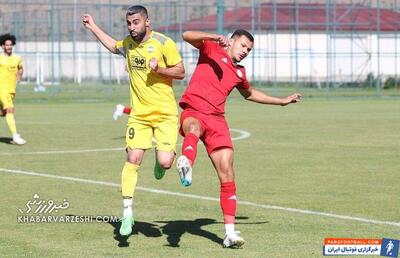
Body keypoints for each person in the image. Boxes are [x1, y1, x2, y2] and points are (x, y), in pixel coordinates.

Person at [176, 30, 301, 248]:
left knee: (228, 171)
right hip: (194, 110)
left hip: (217, 121)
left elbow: (250, 94)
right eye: (243, 46)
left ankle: (230, 234)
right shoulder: (210, 47)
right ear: (232, 40)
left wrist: (281, 101)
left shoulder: (240, 73)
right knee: (193, 129)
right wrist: (214, 37)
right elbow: (186, 35)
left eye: (249, 50)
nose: (245, 51)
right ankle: (186, 162)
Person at [82, 5, 185, 236]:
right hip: (139, 115)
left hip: (166, 114)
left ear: (147, 21)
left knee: (166, 162)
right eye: (129, 23)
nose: (132, 27)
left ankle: (162, 163)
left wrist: (160, 70)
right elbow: (112, 46)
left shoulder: (163, 42)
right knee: (133, 157)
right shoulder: (128, 44)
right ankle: (127, 213)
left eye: (136, 22)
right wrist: (93, 27)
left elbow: (180, 71)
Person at [0, 33, 26, 145]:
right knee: (10, 109)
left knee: (3, 113)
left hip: (11, 90)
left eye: (11, 45)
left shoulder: (17, 58)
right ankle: (15, 136)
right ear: (2, 46)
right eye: (7, 45)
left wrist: (19, 77)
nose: (9, 47)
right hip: (1, 88)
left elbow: (20, 69)